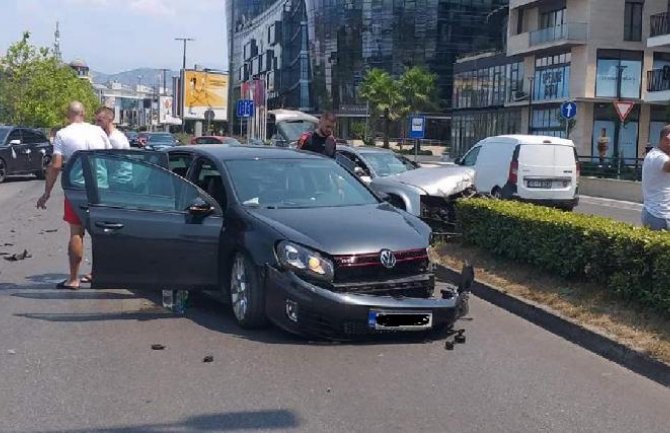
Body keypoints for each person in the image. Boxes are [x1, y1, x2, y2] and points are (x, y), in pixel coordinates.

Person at [36, 101, 111, 290]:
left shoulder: (63, 134)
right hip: (101, 188)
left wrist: (47, 193)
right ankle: (100, 275)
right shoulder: (98, 132)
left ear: (68, 114)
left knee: (76, 232)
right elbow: (111, 157)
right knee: (101, 233)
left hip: (76, 189)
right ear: (84, 113)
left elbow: (55, 165)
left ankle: (74, 279)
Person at [641, 124, 670, 231]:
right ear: (667, 139)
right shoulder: (657, 157)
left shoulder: (656, 154)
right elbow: (668, 167)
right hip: (659, 216)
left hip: (657, 214)